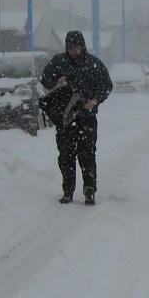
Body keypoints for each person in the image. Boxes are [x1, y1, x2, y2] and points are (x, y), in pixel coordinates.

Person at [40, 30, 113, 205]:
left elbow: (106, 85)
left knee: (87, 156)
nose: (74, 51)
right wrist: (58, 79)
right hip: (64, 120)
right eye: (71, 47)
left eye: (77, 47)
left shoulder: (93, 64)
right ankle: (68, 191)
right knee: (66, 157)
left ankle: (89, 191)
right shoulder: (59, 62)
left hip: (86, 118)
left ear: (83, 46)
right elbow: (45, 79)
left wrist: (95, 100)